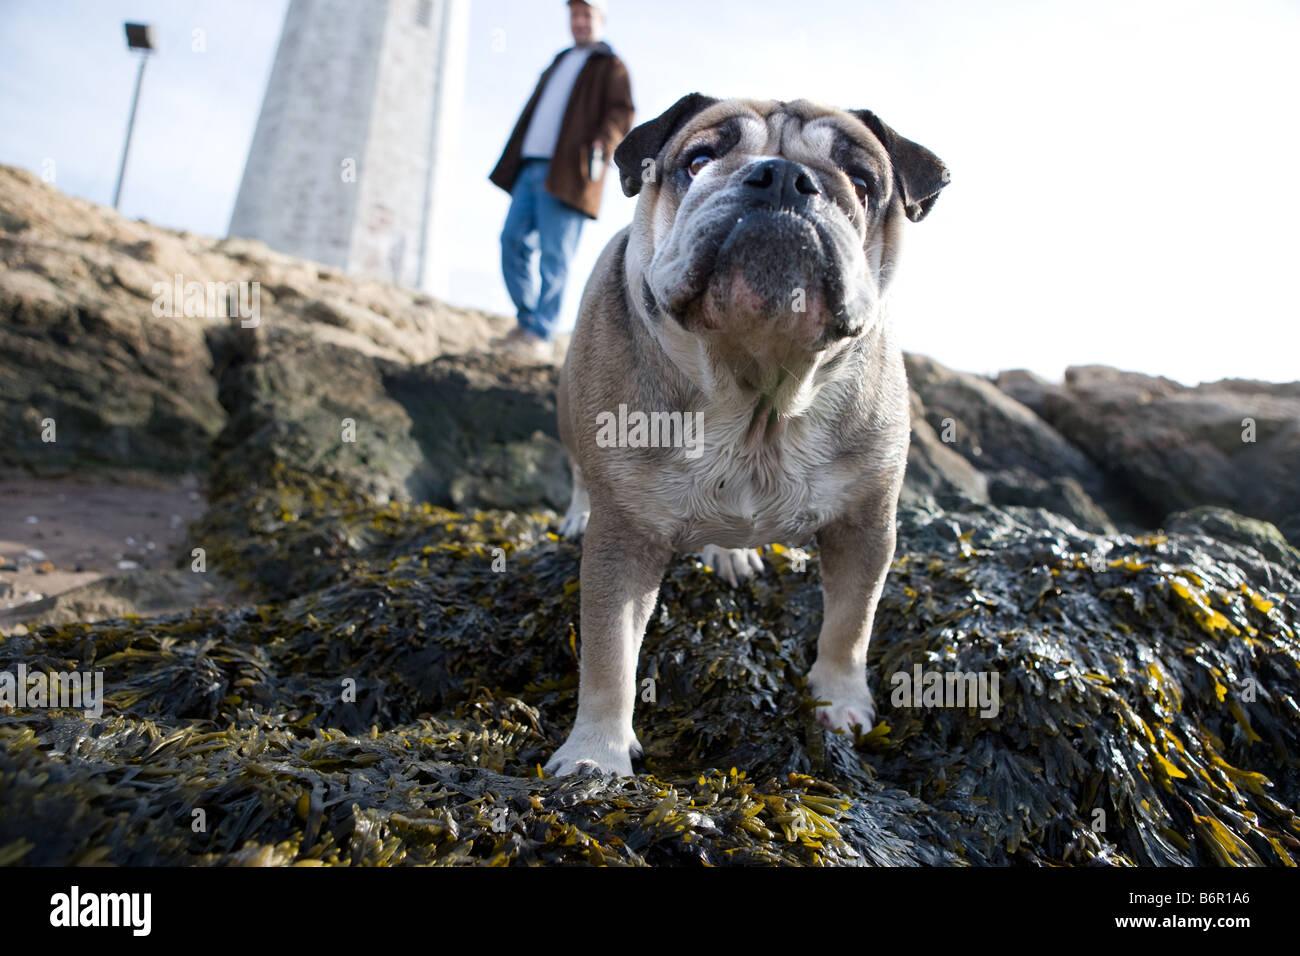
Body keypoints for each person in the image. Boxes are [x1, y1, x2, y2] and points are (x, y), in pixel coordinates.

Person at [489, 0, 634, 359]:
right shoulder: (558, 61)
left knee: (555, 256)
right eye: (575, 15)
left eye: (587, 15)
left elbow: (622, 112)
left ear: (601, 20)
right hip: (530, 167)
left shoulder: (610, 66)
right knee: (511, 241)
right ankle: (527, 322)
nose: (580, 22)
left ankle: (540, 334)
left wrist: (604, 142)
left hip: (569, 171)